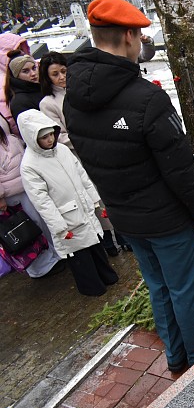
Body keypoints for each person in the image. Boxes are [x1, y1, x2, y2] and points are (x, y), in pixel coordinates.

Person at [63, 0, 194, 371]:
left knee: (159, 288)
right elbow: (179, 170)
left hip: (126, 218)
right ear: (129, 36)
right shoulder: (148, 99)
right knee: (185, 290)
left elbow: (93, 160)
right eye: (141, 35)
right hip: (165, 220)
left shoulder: (73, 97)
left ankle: (176, 356)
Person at [38, 51, 132, 257]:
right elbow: (57, 135)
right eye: (55, 74)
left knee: (110, 191)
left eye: (64, 71)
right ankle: (107, 241)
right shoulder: (48, 103)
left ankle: (125, 235)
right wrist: (85, 136)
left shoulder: (80, 89)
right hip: (76, 155)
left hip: (99, 148)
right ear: (47, 78)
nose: (61, 77)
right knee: (93, 198)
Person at [18, 110, 118, 295]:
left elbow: (81, 174)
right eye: (44, 137)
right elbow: (41, 200)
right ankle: (92, 288)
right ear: (32, 138)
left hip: (82, 206)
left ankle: (107, 277)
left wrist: (94, 200)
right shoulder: (29, 165)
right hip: (64, 216)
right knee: (80, 255)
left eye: (51, 134)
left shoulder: (62, 150)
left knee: (95, 245)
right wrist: (58, 226)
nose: (50, 140)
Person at [0, 112, 63, 278]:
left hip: (27, 186)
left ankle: (54, 255)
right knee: (26, 230)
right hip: (10, 196)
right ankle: (39, 268)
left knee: (40, 222)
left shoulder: (10, 139)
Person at [0, 33, 29, 135]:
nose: (20, 53)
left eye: (22, 49)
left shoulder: (32, 71)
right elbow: (11, 120)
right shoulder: (4, 83)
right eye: (16, 50)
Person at [4, 50, 41, 121]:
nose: (33, 73)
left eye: (34, 68)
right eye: (25, 71)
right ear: (16, 75)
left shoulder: (42, 87)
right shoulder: (19, 102)